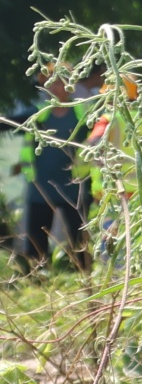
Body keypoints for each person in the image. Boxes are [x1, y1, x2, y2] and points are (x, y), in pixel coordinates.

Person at [17, 77, 91, 273]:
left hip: (73, 186)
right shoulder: (38, 115)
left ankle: (83, 275)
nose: (56, 88)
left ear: (70, 85)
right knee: (36, 237)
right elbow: (9, 124)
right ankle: (37, 276)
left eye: (60, 83)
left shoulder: (82, 115)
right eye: (51, 84)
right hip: (41, 186)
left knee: (79, 237)